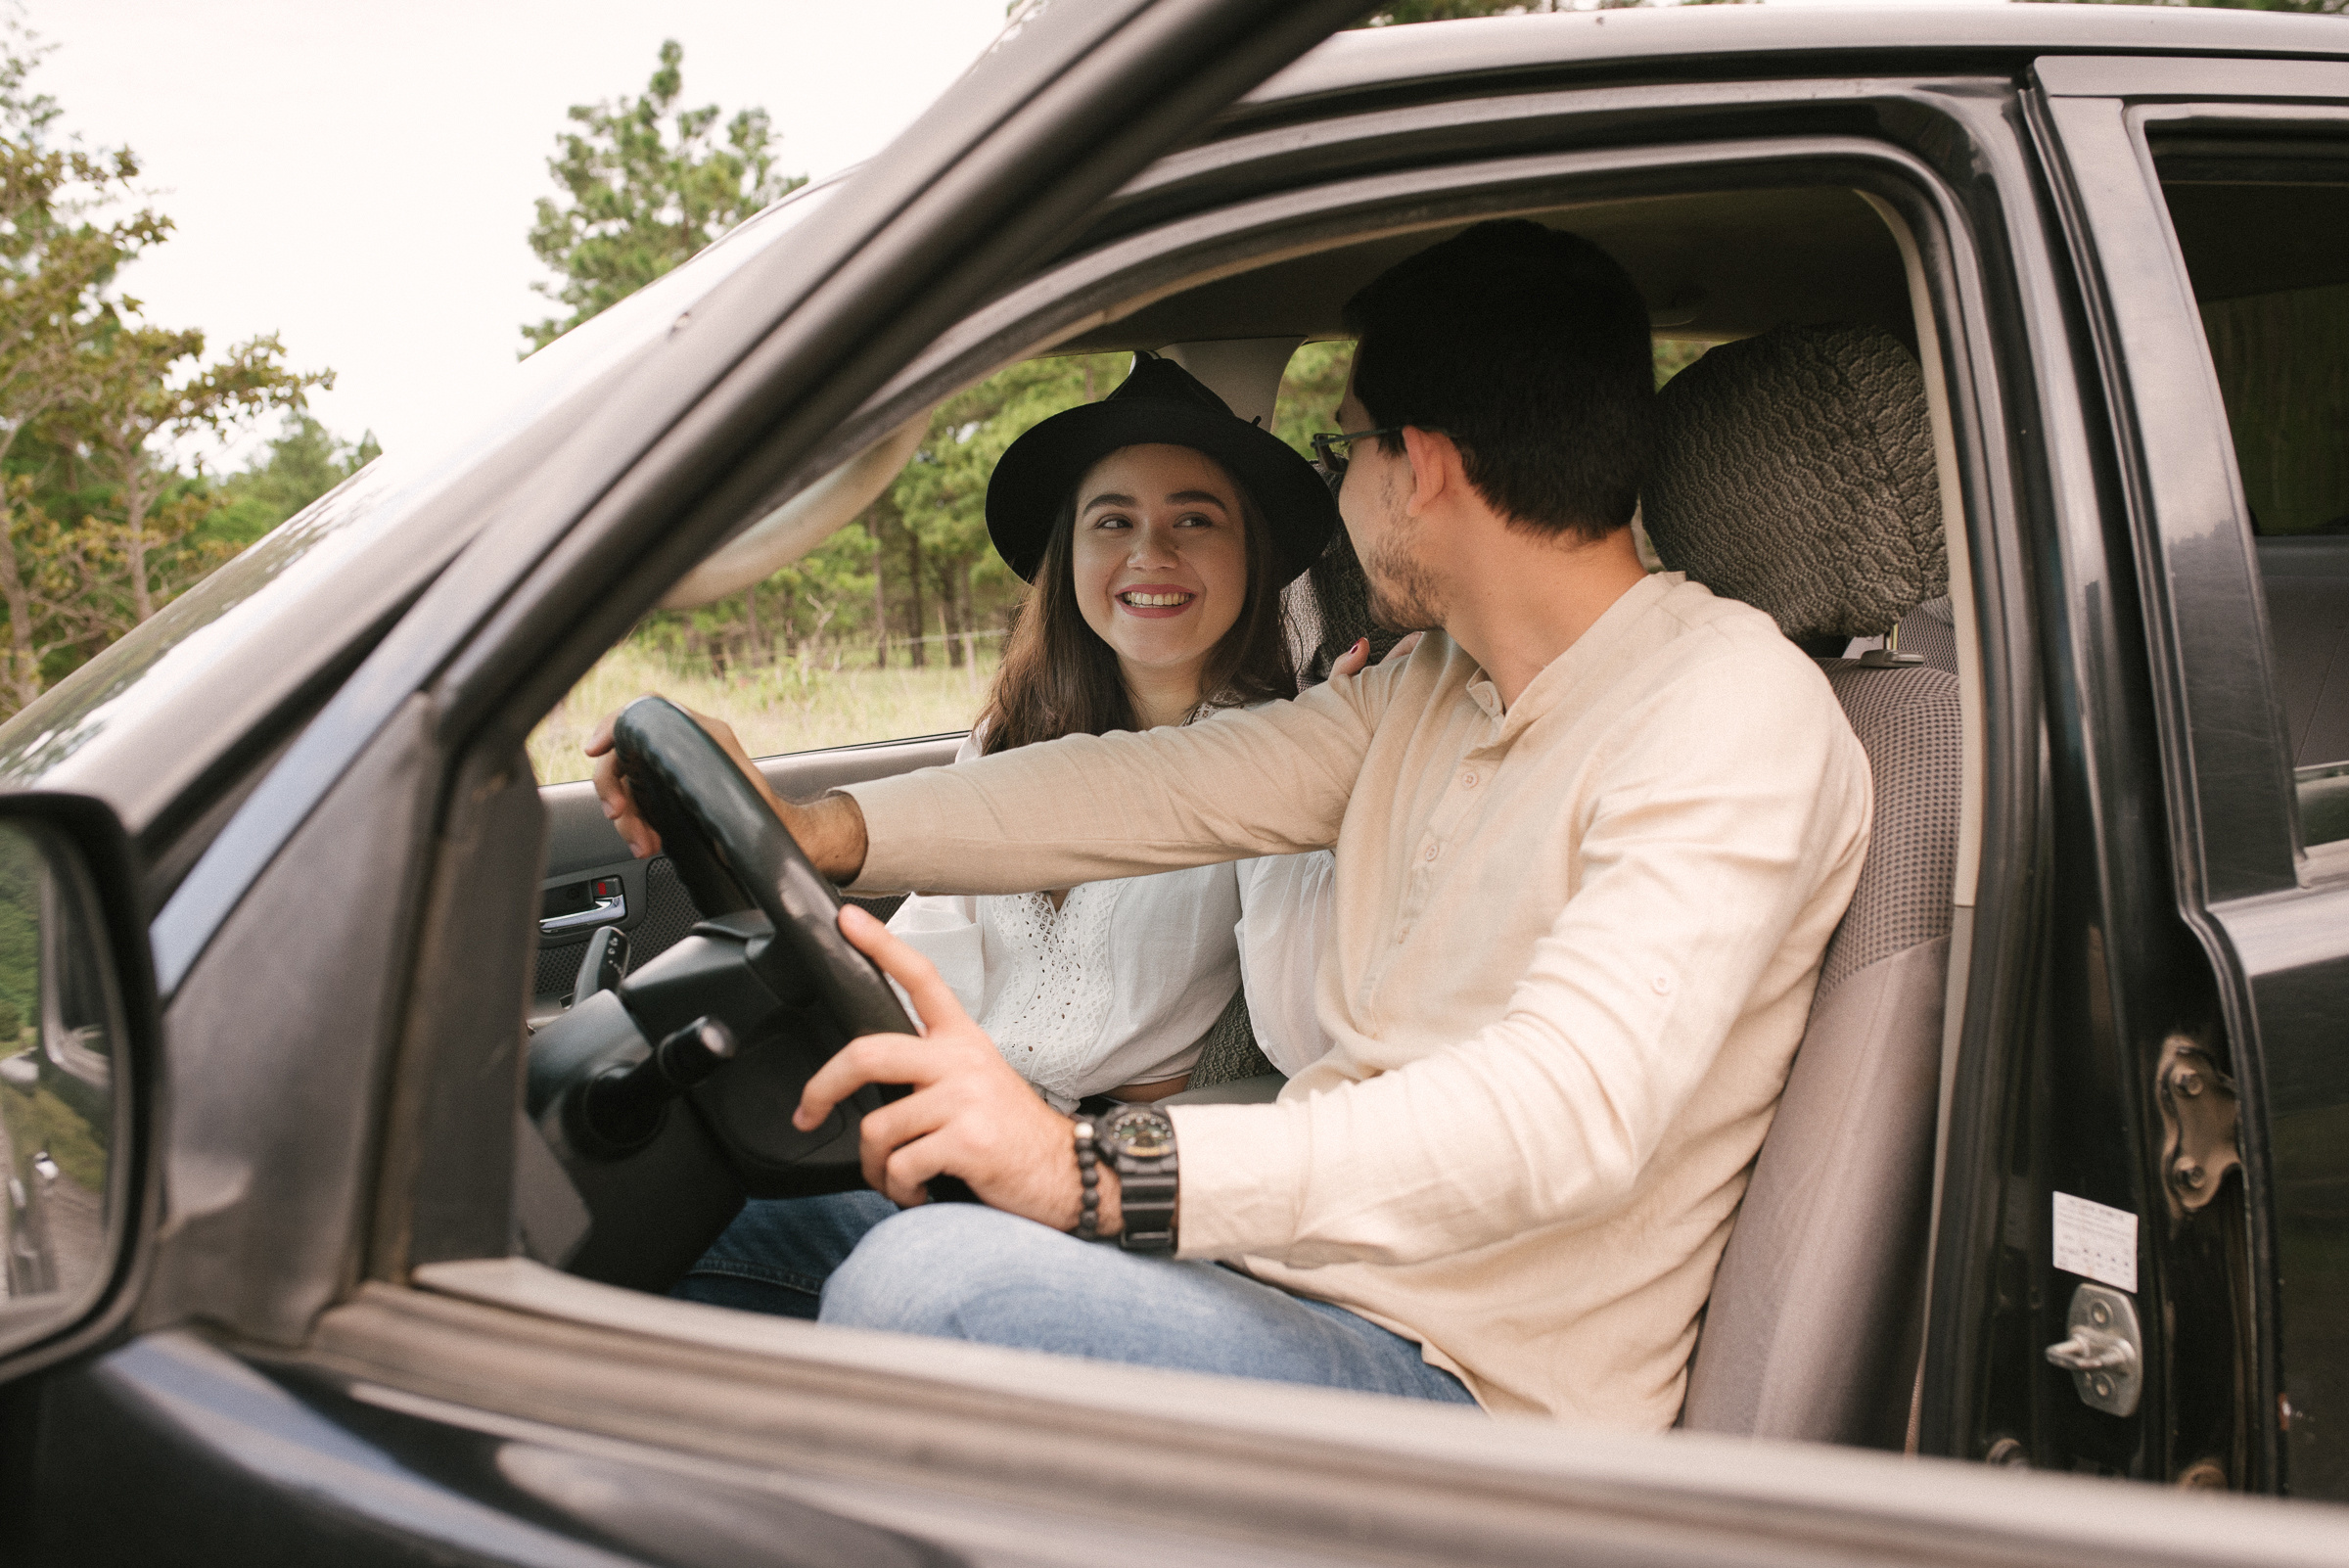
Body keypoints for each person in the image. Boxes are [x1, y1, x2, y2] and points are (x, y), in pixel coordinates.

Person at [598, 219, 1873, 1426]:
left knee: (923, 1286)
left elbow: (1563, 1112)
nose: (1344, 489)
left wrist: (1093, 1166)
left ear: (1416, 466)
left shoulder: (1727, 708)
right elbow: (1152, 786)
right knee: (707, 1209)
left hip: (1468, 1388)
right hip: (1286, 1278)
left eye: (1346, 450)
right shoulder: (1431, 685)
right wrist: (819, 828)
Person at [595, 354, 1342, 1315]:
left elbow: (1301, 1042)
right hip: (964, 1142)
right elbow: (922, 957)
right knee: (669, 1196)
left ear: (1255, 555)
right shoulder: (1006, 738)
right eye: (1112, 522)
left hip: (1103, 1185)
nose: (1150, 554)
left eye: (1195, 520)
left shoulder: (1278, 763)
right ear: (1067, 556)